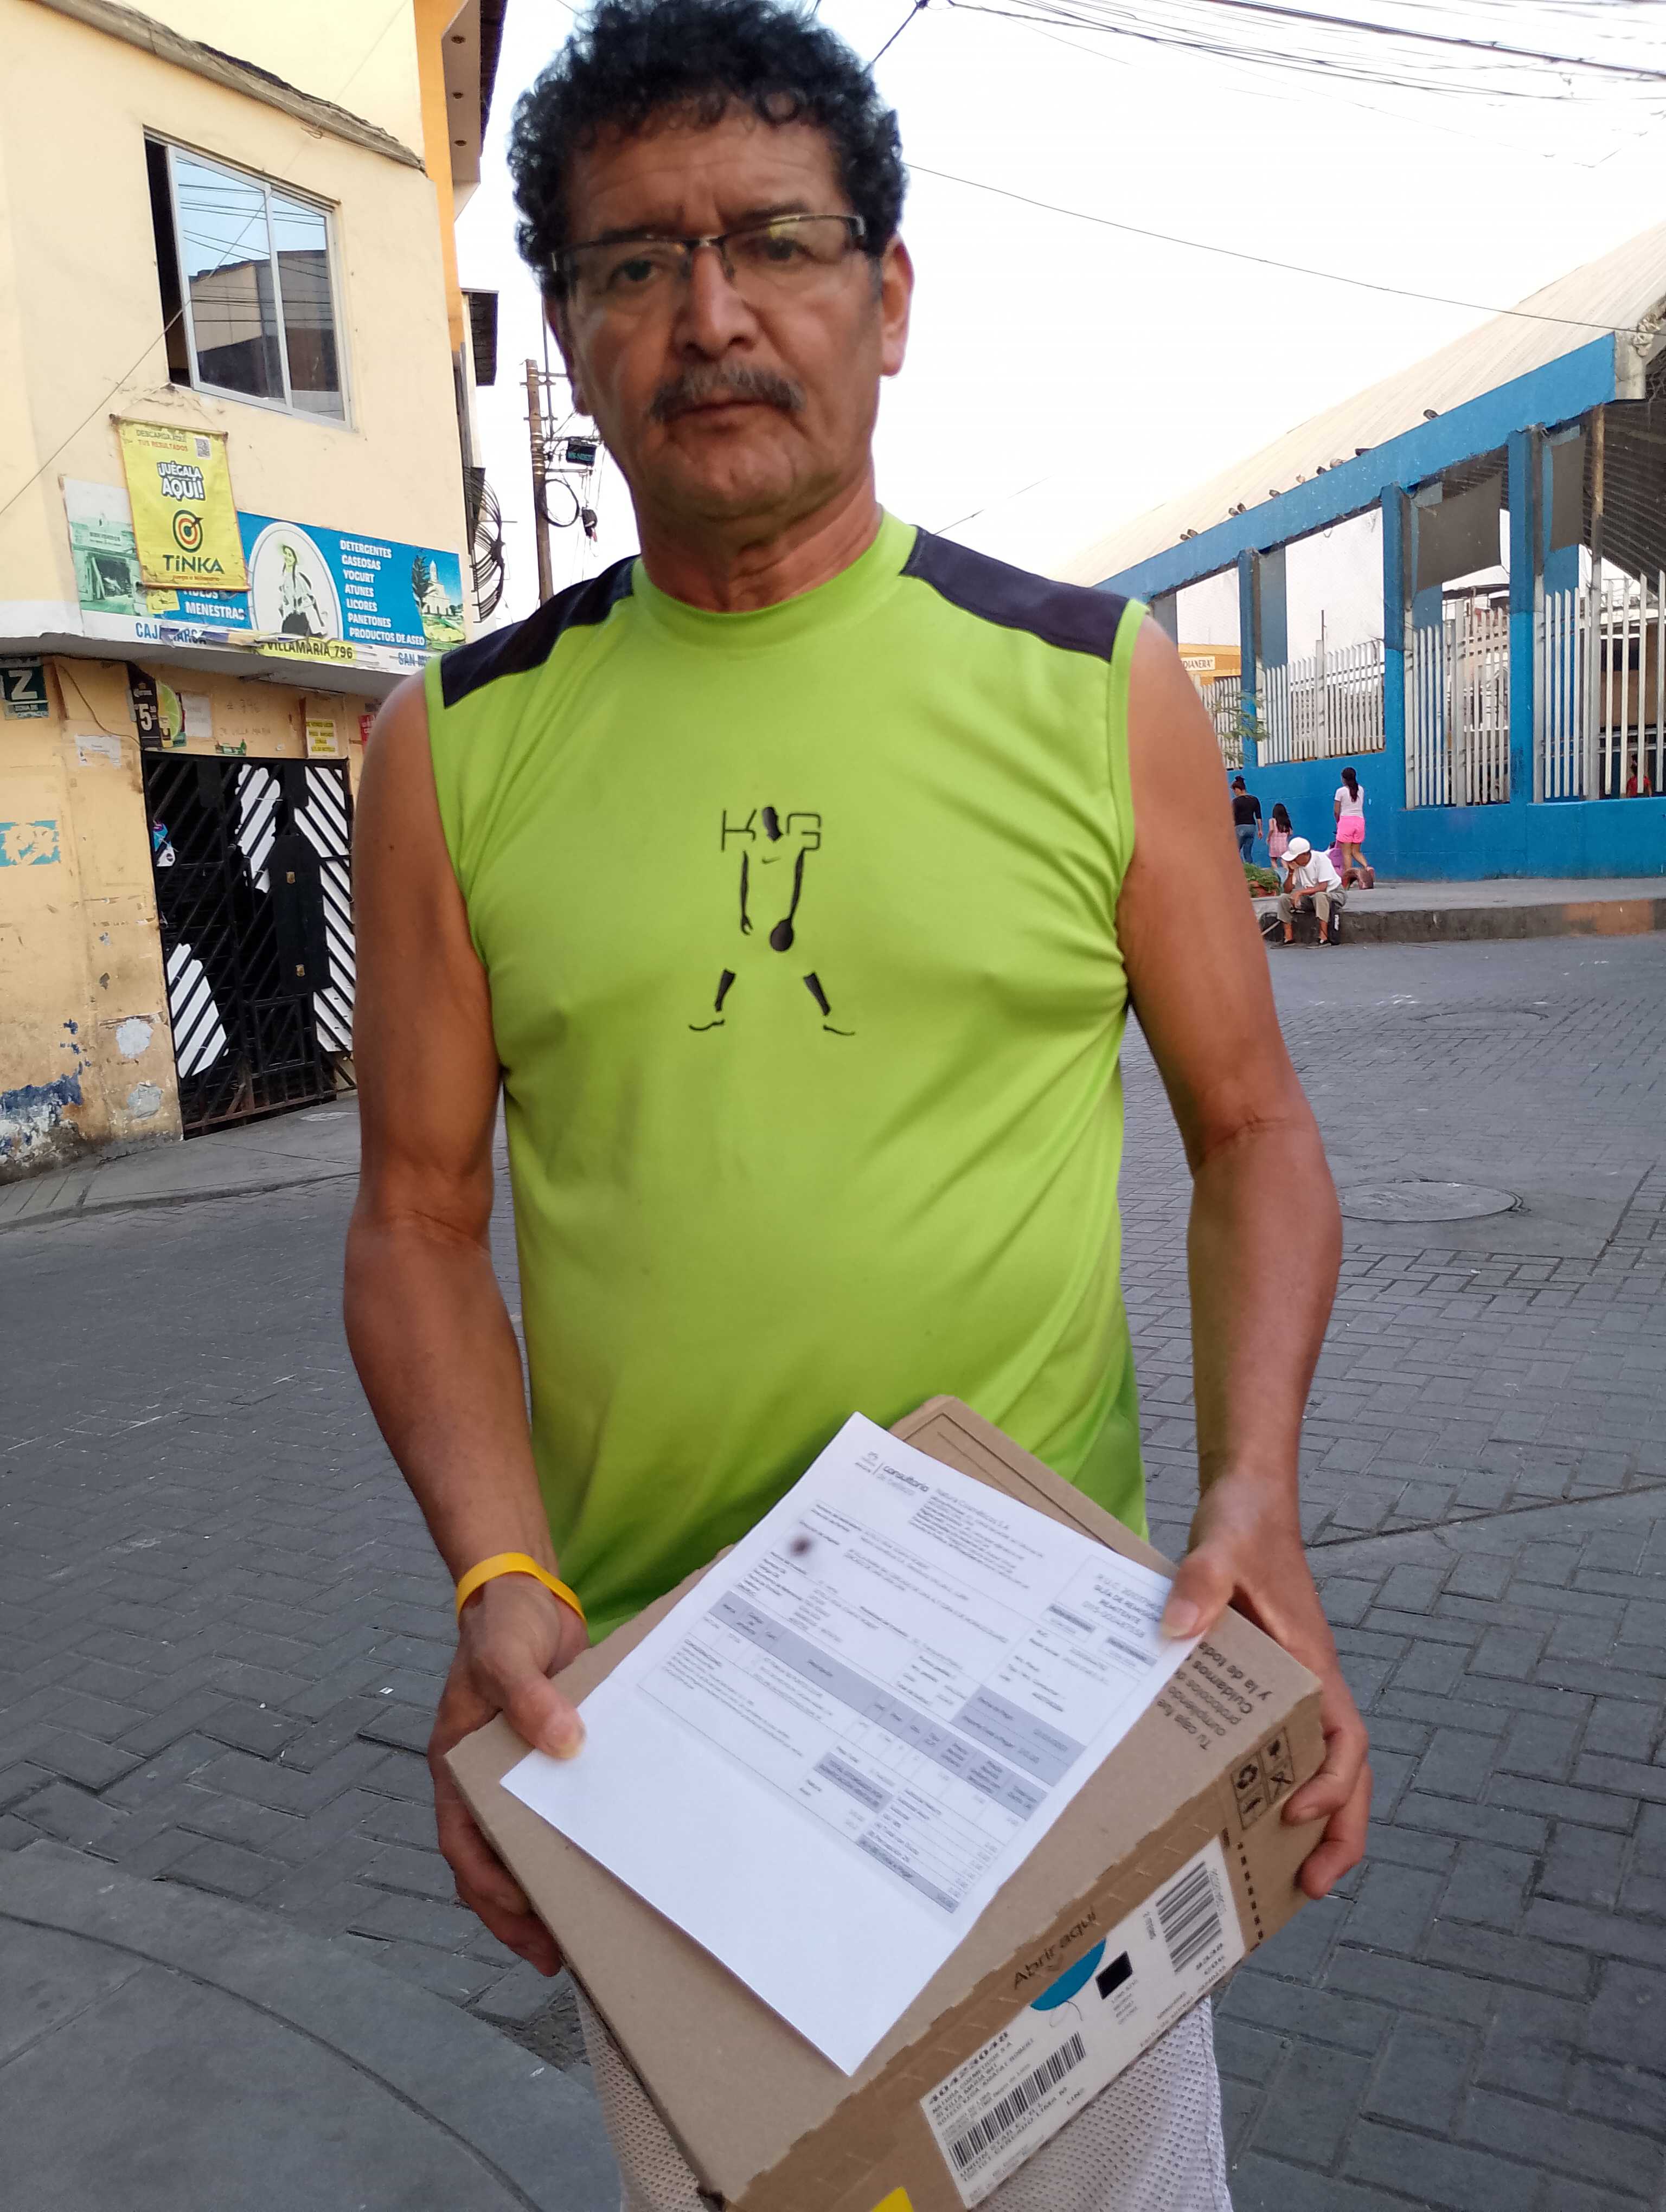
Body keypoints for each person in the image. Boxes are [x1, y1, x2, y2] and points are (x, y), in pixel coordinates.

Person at [343, 8, 1368, 2208]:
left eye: (775, 242)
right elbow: (416, 1217)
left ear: (887, 299)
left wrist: (1256, 1495)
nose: (709, 314)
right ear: (567, 336)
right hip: (658, 1736)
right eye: (633, 264)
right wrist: (496, 1574)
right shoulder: (450, 750)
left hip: (1048, 1709)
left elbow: (1255, 1131)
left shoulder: (1090, 687)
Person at [1274, 835, 1346, 946]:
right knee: (1283, 898)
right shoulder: (1297, 866)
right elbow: (1287, 890)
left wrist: (1300, 892)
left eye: (1295, 857)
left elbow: (1323, 887)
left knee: (1320, 896)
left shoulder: (1321, 859)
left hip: (1333, 894)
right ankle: (1288, 937)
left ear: (1305, 855)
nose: (1293, 860)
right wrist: (1291, 872)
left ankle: (1324, 937)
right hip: (1311, 897)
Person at [1333, 767, 1367, 879]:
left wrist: (1338, 822)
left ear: (1344, 779)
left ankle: (1348, 879)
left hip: (1346, 822)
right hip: (1360, 821)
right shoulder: (1361, 790)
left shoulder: (1340, 791)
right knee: (1356, 852)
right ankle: (1367, 868)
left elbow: (1336, 811)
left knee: (1346, 853)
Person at [1229, 773, 1261, 864]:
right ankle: (1249, 868)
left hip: (1240, 827)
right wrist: (1260, 830)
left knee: (1235, 850)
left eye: (1234, 791)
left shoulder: (1235, 801)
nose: (1234, 793)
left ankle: (1240, 868)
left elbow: (1233, 817)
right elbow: (1258, 816)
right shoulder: (1254, 799)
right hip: (1252, 827)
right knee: (1248, 852)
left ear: (1238, 789)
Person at [1265, 801, 1292, 881]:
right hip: (1284, 844)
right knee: (1284, 860)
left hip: (1274, 844)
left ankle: (1279, 876)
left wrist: (1268, 838)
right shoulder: (1286, 821)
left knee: (1273, 860)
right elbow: (1291, 833)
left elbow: (1271, 829)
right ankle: (1287, 875)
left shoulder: (1272, 820)